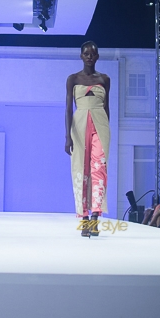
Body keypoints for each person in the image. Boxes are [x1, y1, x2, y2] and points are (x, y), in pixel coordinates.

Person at [65, 42, 110, 237]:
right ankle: (84, 218)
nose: (89, 56)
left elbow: (107, 108)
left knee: (99, 170)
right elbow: (68, 109)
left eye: (93, 54)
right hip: (79, 124)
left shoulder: (104, 79)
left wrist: (107, 130)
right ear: (81, 56)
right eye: (86, 54)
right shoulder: (73, 79)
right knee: (80, 170)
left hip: (101, 125)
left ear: (97, 56)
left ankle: (95, 218)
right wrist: (67, 136)